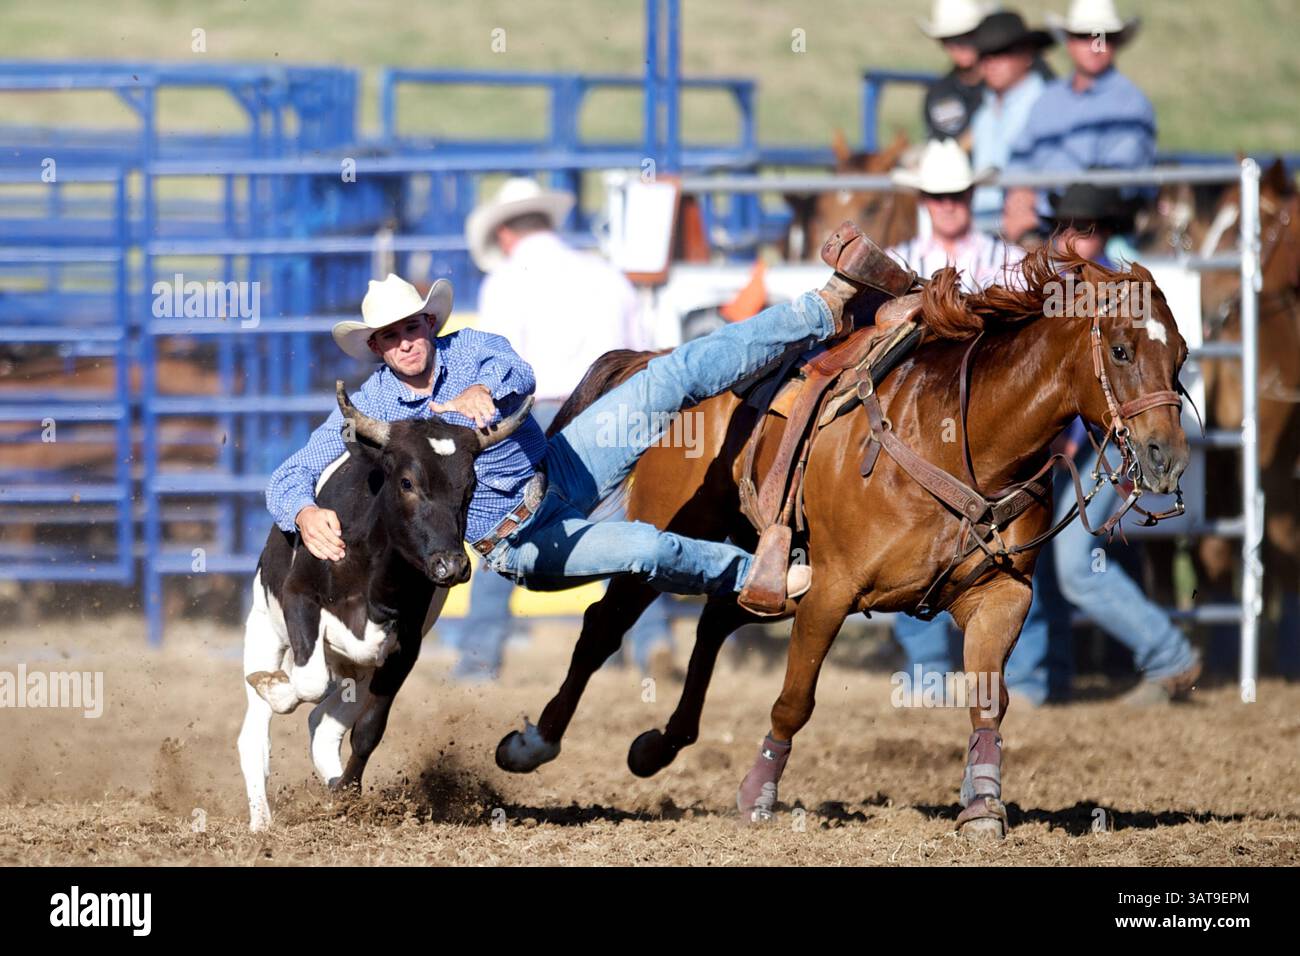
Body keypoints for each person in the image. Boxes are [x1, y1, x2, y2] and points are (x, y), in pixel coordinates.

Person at [266, 223, 912, 656]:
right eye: (389, 335)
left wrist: (480, 392)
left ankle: (825, 306)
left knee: (675, 374)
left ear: (430, 323)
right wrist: (302, 509)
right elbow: (291, 472)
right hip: (518, 539)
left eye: (412, 326)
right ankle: (764, 576)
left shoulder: (473, 351)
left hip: (562, 466)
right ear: (376, 347)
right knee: (642, 545)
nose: (404, 341)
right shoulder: (376, 405)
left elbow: (518, 371)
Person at [892, 185, 1202, 706]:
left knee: (1076, 565)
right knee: (1043, 561)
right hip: (1070, 447)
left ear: (1103, 233)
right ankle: (1047, 679)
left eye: (1090, 229)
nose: (1078, 239)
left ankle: (1168, 656)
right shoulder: (1073, 288)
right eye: (1071, 228)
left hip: (1104, 446)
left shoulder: (1116, 294)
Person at [450, 177, 673, 681]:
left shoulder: (507, 280)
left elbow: (496, 365)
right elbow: (641, 351)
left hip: (537, 412)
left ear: (505, 233)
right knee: (621, 528)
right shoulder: (605, 274)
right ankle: (650, 638)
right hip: (614, 410)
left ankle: (478, 661)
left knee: (503, 531)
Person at [1002, 0, 1156, 242]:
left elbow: (1115, 184)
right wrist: (1019, 193)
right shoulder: (1047, 100)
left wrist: (1042, 204)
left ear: (1115, 43)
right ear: (1070, 42)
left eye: (1104, 37)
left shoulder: (1131, 104)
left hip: (1100, 232)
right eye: (1085, 36)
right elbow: (1019, 158)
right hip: (1042, 229)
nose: (1095, 45)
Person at [886, 138, 1026, 292]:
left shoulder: (1011, 261)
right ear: (923, 199)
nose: (948, 206)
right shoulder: (896, 262)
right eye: (938, 196)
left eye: (956, 195)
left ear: (971, 194)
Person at [967, 10, 1055, 232]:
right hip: (980, 226)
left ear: (1027, 55)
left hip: (1030, 230)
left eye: (1002, 53)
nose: (991, 63)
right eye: (985, 55)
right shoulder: (983, 114)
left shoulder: (1046, 105)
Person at [918, 0, 994, 145]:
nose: (960, 44)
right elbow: (943, 148)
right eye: (951, 39)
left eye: (968, 35)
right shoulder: (939, 94)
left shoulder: (1007, 83)